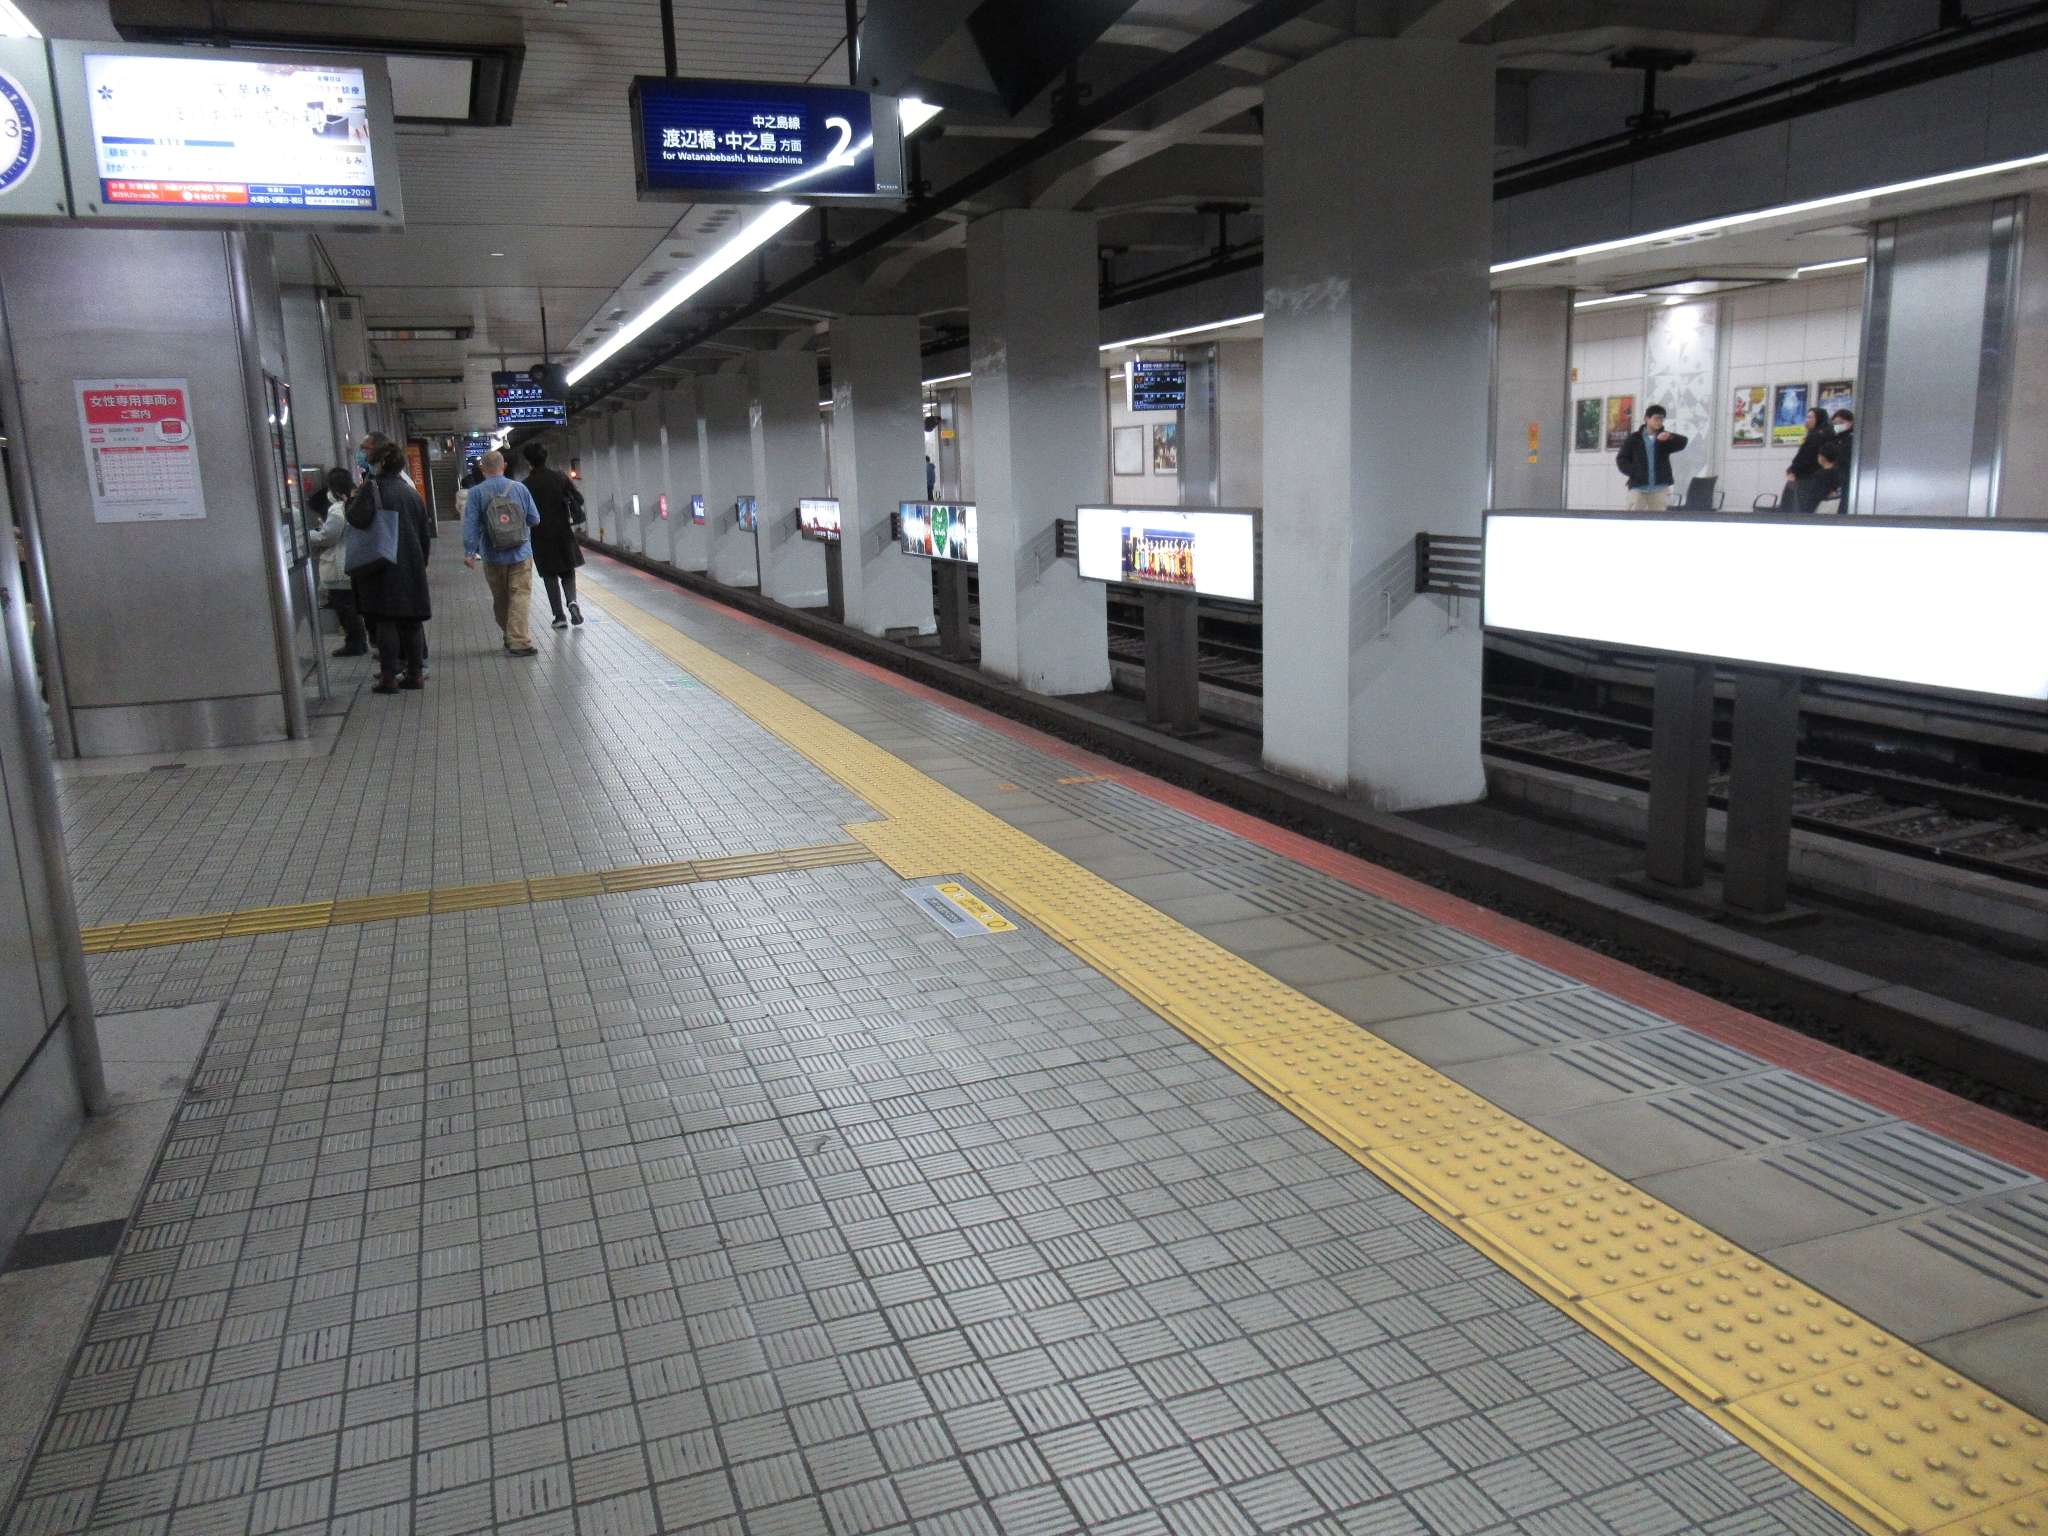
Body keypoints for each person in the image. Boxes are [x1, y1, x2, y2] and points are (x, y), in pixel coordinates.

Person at [346, 439, 433, 694]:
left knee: (386, 621)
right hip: (412, 563)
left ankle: (388, 677)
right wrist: (422, 561)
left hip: (382, 564)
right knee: (411, 622)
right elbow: (423, 532)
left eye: (371, 459)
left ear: (381, 463)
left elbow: (357, 518)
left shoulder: (371, 488)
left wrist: (348, 503)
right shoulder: (411, 491)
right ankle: (415, 674)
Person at [463, 449, 542, 657]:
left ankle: (510, 636)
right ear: (503, 466)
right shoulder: (520, 488)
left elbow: (471, 525)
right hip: (521, 552)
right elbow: (535, 519)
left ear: (482, 469)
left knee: (501, 598)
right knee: (520, 595)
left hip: (492, 554)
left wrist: (470, 552)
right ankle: (519, 641)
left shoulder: (476, 493)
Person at [522, 441, 586, 629]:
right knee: (567, 572)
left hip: (540, 536)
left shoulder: (525, 485)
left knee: (549, 576)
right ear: (546, 457)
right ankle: (572, 601)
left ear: (528, 462)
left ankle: (559, 616)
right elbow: (579, 499)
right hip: (563, 533)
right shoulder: (560, 477)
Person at [306, 467, 368, 656]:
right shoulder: (355, 501)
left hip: (338, 563)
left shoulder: (336, 509)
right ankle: (358, 641)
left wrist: (307, 535)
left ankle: (355, 643)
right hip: (352, 559)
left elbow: (329, 536)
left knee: (345, 606)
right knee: (351, 606)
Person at [1614, 405, 1689, 510]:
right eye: (1656, 418)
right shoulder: (1634, 438)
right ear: (1646, 419)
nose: (1659, 422)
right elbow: (1622, 459)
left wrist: (1670, 436)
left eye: (1662, 419)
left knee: (1659, 520)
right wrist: (1634, 471)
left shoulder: (1665, 437)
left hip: (1660, 487)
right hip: (1638, 487)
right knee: (1632, 519)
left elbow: (1683, 442)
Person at [1785, 408, 1835, 513]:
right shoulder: (1827, 433)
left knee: (1800, 509)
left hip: (1807, 478)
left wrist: (1793, 470)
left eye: (1810, 417)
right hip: (1817, 478)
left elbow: (1805, 457)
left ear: (1819, 419)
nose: (1806, 420)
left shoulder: (1817, 436)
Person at [1820, 408, 1855, 508]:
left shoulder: (1852, 439)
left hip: (1846, 479)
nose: (1838, 426)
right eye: (1835, 423)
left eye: (1841, 422)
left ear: (1850, 423)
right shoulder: (1833, 439)